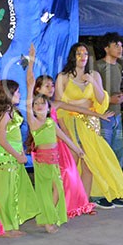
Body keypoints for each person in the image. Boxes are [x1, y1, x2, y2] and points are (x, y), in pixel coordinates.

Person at [28, 45, 98, 218]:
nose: (51, 89)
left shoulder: (54, 104)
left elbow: (75, 108)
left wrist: (99, 115)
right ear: (37, 89)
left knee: (67, 174)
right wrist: (31, 62)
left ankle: (70, 207)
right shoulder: (35, 107)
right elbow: (30, 82)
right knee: (54, 179)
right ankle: (51, 210)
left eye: (52, 86)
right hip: (44, 149)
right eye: (46, 86)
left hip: (59, 145)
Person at [55, 43, 123, 209]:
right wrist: (64, 133)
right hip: (71, 124)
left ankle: (84, 203)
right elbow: (58, 106)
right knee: (72, 165)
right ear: (73, 56)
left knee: (89, 164)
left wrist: (93, 83)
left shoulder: (94, 74)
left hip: (91, 124)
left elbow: (102, 101)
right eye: (79, 54)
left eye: (85, 54)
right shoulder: (63, 77)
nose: (82, 57)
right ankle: (65, 203)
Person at [26, 90, 84, 233]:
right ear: (32, 108)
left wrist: (77, 149)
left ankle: (45, 217)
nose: (39, 106)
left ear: (49, 107)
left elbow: (64, 137)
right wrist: (30, 82)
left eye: (42, 103)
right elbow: (28, 100)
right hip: (42, 162)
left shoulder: (51, 123)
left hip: (54, 161)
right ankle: (48, 221)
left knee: (58, 189)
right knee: (45, 191)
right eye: (36, 104)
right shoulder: (33, 123)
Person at [0, 80, 40, 236]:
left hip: (15, 156)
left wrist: (21, 153)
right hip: (7, 158)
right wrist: (17, 155)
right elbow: (2, 140)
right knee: (6, 193)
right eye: (17, 92)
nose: (19, 94)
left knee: (15, 190)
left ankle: (12, 223)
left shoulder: (12, 111)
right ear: (8, 94)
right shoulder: (5, 114)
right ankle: (6, 226)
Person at [94, 32, 123, 168]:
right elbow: (92, 93)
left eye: (121, 45)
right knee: (104, 150)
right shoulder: (98, 66)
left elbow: (117, 88)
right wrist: (109, 100)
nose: (120, 48)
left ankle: (116, 184)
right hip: (103, 115)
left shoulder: (119, 66)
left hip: (117, 115)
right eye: (116, 45)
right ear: (106, 48)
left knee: (118, 151)